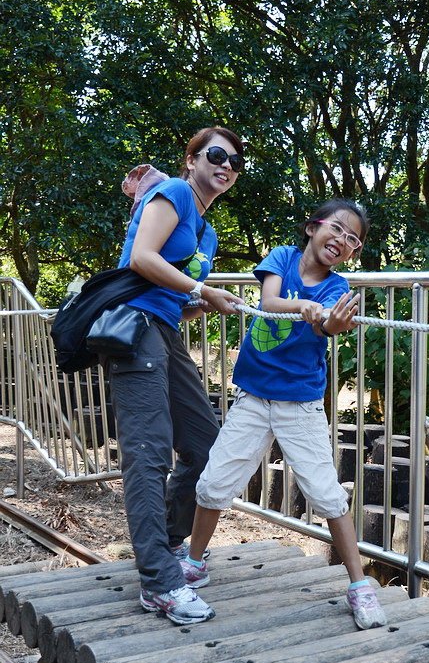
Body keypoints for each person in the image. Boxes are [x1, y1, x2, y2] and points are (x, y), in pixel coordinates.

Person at [182, 200, 387, 630]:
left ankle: (359, 585)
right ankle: (194, 561)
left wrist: (332, 323)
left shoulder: (337, 287)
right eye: (337, 229)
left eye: (353, 239)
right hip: (253, 399)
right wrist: (302, 308)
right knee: (214, 482)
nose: (343, 241)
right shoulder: (282, 257)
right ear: (313, 228)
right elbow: (271, 300)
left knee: (327, 493)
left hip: (301, 406)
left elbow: (328, 326)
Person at [107, 127, 245, 625]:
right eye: (215, 155)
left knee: (206, 444)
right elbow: (141, 259)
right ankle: (158, 583)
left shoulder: (206, 231)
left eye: (233, 161)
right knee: (148, 451)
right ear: (191, 160)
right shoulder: (176, 194)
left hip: (164, 331)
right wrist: (203, 291)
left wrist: (199, 303)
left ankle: (164, 548)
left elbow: (169, 288)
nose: (225, 165)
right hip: (134, 330)